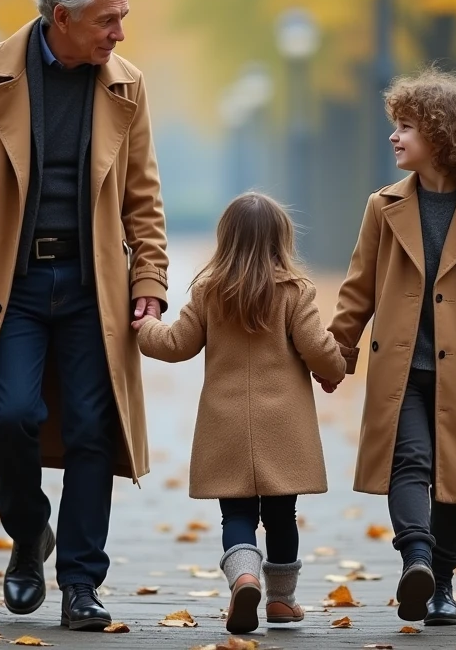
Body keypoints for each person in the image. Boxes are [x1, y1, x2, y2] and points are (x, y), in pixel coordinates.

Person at [0, 0, 169, 632]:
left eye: (122, 17)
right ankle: (30, 534)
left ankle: (82, 583)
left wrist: (149, 277)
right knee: (11, 416)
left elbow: (143, 195)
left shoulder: (127, 85)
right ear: (63, 17)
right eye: (108, 20)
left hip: (94, 287)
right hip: (12, 284)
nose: (119, 32)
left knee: (92, 429)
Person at [319, 68, 456, 627]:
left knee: (454, 479)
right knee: (409, 462)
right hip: (402, 368)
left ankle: (441, 586)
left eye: (406, 127)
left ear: (441, 136)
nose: (394, 136)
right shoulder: (382, 207)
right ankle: (416, 559)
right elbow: (358, 290)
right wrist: (337, 355)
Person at [132, 193, 345, 635]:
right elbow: (319, 350)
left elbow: (175, 345)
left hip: (225, 426)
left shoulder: (209, 292)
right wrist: (335, 367)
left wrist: (144, 327)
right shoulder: (294, 292)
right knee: (282, 516)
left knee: (237, 516)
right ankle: (282, 601)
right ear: (281, 240)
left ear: (225, 239)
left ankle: (244, 578)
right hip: (283, 428)